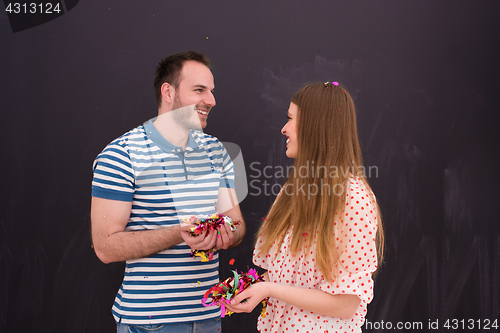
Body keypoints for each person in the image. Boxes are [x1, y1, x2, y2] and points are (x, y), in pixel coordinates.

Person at [91, 51, 246, 333]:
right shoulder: (122, 154)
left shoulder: (216, 151)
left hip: (209, 318)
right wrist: (180, 232)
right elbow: (105, 247)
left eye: (211, 91)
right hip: (150, 323)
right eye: (199, 90)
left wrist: (227, 233)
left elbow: (235, 222)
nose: (211, 101)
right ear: (168, 92)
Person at [225, 82, 384, 332]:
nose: (283, 129)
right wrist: (246, 285)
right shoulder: (291, 192)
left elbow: (346, 305)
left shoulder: (354, 198)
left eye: (290, 119)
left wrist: (267, 289)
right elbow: (287, 276)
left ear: (315, 126)